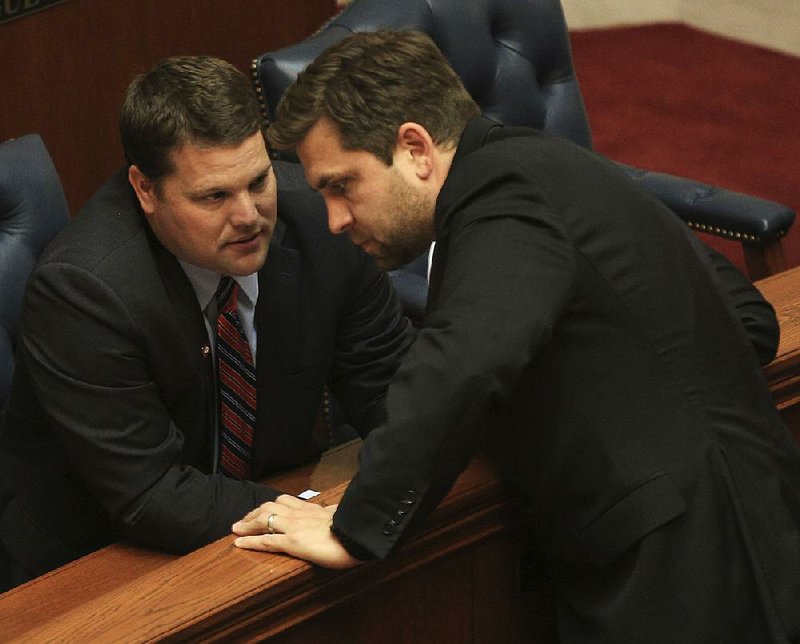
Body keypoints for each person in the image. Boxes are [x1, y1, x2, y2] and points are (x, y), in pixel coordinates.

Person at [231, 30, 800, 643]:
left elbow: (459, 363)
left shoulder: (499, 199)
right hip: (759, 518)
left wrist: (354, 528)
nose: (336, 220)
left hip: (680, 575)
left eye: (342, 185)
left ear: (415, 147)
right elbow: (746, 317)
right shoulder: (551, 164)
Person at [0, 55, 413, 591]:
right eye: (214, 196)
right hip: (98, 566)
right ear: (145, 190)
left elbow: (391, 386)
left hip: (257, 530)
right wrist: (314, 515)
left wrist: (413, 468)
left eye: (258, 180)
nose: (249, 216)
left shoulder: (320, 222)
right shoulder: (83, 290)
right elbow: (152, 495)